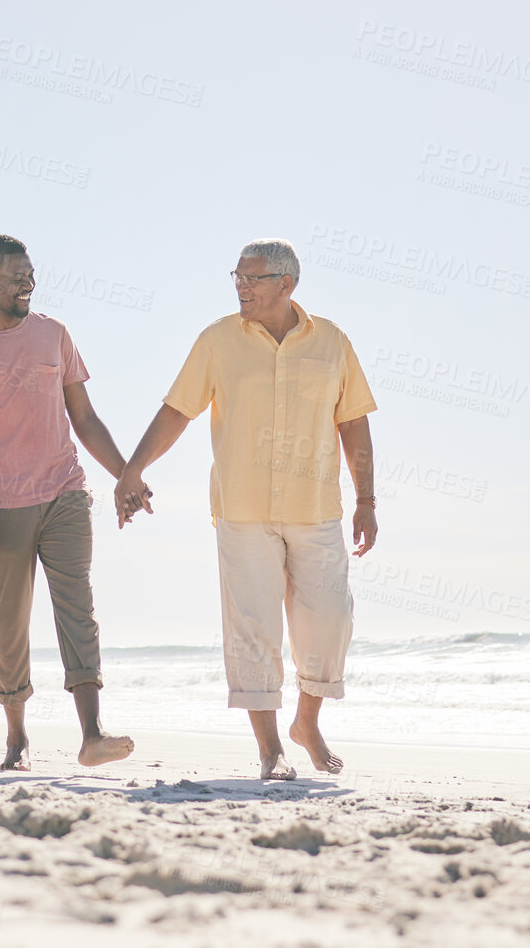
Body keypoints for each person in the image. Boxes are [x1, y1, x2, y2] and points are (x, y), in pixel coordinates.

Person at [115, 238, 378, 781]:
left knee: (330, 621)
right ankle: (270, 747)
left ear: (287, 284)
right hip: (243, 509)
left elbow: (353, 423)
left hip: (317, 507)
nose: (241, 287)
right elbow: (177, 411)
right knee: (252, 627)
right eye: (236, 276)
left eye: (252, 278)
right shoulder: (217, 340)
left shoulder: (332, 342)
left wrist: (367, 499)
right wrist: (133, 469)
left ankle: (306, 723)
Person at [0, 234, 134, 770]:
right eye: (16, 275)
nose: (28, 282)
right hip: (0, 506)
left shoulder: (54, 334)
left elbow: (85, 418)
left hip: (65, 490)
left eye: (30, 273)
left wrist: (125, 474)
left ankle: (92, 733)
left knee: (77, 608)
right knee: (10, 622)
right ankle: (17, 734)